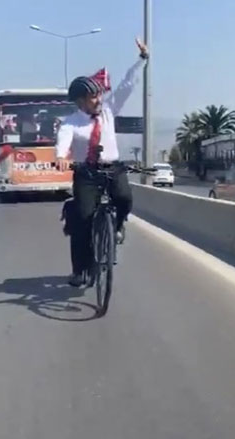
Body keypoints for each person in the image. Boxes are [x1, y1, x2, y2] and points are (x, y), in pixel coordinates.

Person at [56, 37, 149, 287]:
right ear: (80, 102)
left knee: (125, 198)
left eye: (98, 95)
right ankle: (79, 270)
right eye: (92, 97)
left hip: (112, 168)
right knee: (82, 221)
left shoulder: (108, 110)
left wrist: (141, 59)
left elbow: (126, 85)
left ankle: (117, 226)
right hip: (86, 173)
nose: (98, 100)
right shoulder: (70, 123)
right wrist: (61, 159)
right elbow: (62, 145)